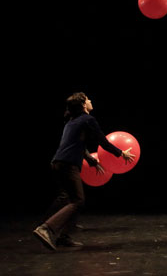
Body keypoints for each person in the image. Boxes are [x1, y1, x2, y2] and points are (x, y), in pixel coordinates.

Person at [33, 92, 135, 251]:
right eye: (87, 99)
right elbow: (104, 142)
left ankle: (64, 237)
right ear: (82, 105)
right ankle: (46, 228)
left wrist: (92, 161)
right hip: (68, 165)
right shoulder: (88, 120)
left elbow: (78, 147)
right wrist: (121, 153)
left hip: (58, 163)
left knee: (69, 198)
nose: (90, 100)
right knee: (78, 201)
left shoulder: (71, 121)